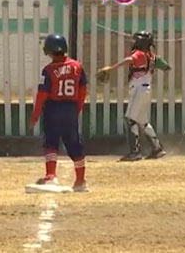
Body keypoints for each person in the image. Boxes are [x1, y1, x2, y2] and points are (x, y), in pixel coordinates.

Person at [97, 31, 171, 161]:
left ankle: (135, 152)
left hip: (138, 89)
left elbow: (129, 60)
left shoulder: (139, 53)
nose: (134, 43)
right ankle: (158, 149)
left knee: (130, 119)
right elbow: (167, 67)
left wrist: (111, 68)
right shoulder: (152, 56)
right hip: (146, 89)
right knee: (143, 122)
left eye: (137, 40)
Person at [29, 34, 89, 192]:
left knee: (51, 142)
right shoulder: (78, 66)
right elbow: (83, 91)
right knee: (74, 143)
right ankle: (81, 180)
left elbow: (42, 95)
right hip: (70, 107)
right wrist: (77, 109)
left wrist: (35, 116)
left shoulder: (48, 70)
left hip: (53, 108)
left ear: (49, 50)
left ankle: (51, 176)